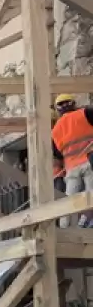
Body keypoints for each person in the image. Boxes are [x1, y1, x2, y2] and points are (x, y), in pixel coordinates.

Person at [51, 94, 93, 227]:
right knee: (91, 196)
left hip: (71, 168)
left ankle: (65, 228)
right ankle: (87, 223)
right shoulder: (84, 113)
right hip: (89, 163)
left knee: (69, 201)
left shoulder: (55, 130)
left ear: (58, 110)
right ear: (73, 104)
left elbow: (57, 153)